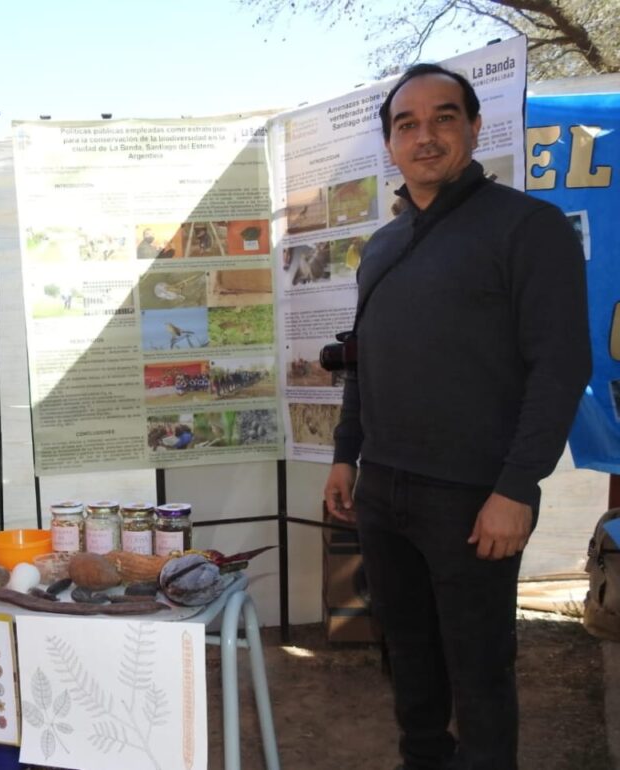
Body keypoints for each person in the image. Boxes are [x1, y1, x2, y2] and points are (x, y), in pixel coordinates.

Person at [323, 64, 591, 770]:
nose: (426, 135)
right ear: (389, 145)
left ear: (475, 128)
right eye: (406, 124)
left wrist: (517, 489)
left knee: (479, 672)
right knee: (407, 658)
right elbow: (362, 359)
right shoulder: (380, 246)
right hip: (383, 492)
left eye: (444, 117)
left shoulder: (529, 229)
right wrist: (346, 455)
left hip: (472, 499)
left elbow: (562, 368)